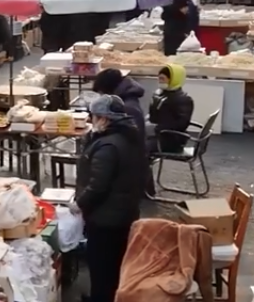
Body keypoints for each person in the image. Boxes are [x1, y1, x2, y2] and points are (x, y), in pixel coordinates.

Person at [73, 95, 145, 302]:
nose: (91, 120)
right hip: (124, 211)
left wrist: (79, 203)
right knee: (114, 263)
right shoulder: (129, 136)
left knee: (102, 264)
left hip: (106, 217)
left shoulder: (107, 146)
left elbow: (98, 186)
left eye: (94, 116)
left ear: (104, 119)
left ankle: (102, 298)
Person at [149, 64, 195, 154]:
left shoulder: (183, 100)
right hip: (161, 135)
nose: (160, 81)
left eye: (163, 79)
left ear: (173, 79)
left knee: (140, 147)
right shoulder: (162, 95)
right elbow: (154, 117)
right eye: (159, 78)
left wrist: (156, 128)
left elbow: (181, 124)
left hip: (172, 140)